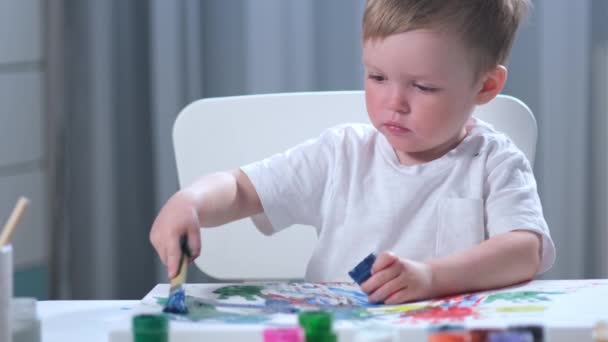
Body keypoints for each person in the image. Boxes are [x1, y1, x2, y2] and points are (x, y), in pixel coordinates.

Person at [150, 0, 555, 305]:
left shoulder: (494, 161)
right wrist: (192, 201)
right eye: (377, 77)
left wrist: (432, 278)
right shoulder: (340, 153)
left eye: (423, 87)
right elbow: (242, 190)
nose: (393, 102)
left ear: (485, 87)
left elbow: (523, 250)